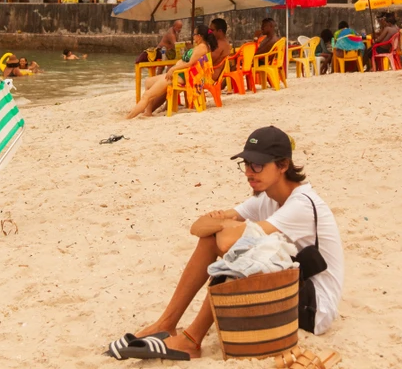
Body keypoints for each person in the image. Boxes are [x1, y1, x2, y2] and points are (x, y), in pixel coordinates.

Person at [109, 127, 344, 359]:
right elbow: (199, 228)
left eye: (258, 165)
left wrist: (228, 227)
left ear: (282, 165)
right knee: (215, 240)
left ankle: (191, 339)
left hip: (312, 310)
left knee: (247, 253)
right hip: (284, 296)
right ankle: (166, 324)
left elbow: (227, 243)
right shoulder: (265, 199)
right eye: (246, 164)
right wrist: (229, 226)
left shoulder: (301, 204)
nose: (249, 173)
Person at [126, 26, 219, 118]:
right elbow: (193, 60)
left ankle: (128, 118)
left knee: (147, 95)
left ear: (199, 36)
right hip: (179, 73)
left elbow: (189, 64)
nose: (193, 36)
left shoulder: (202, 47)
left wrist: (172, 69)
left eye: (194, 34)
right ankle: (148, 112)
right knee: (148, 82)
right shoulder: (201, 46)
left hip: (181, 76)